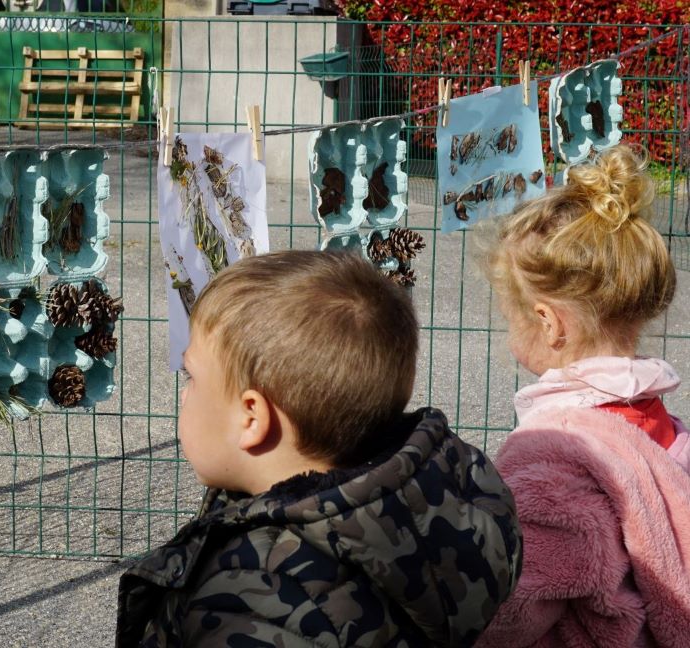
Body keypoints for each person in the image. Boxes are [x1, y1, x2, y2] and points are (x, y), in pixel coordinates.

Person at [116, 249, 522, 647]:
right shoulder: (446, 494)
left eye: (191, 376)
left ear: (252, 418)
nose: (185, 396)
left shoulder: (250, 598)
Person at [475, 144, 690, 646]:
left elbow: (512, 610)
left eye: (512, 316)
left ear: (548, 322)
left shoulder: (556, 451)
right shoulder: (657, 421)